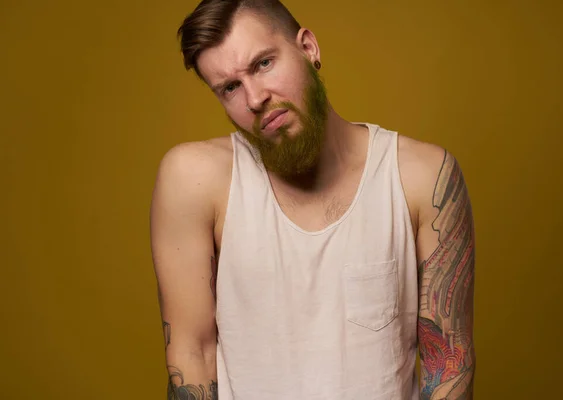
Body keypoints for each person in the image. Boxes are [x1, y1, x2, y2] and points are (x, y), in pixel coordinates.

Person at [150, 0, 476, 399]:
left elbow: (449, 363)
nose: (255, 98)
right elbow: (192, 354)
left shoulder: (423, 177)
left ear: (308, 48)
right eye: (230, 88)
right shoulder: (195, 179)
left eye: (263, 64)